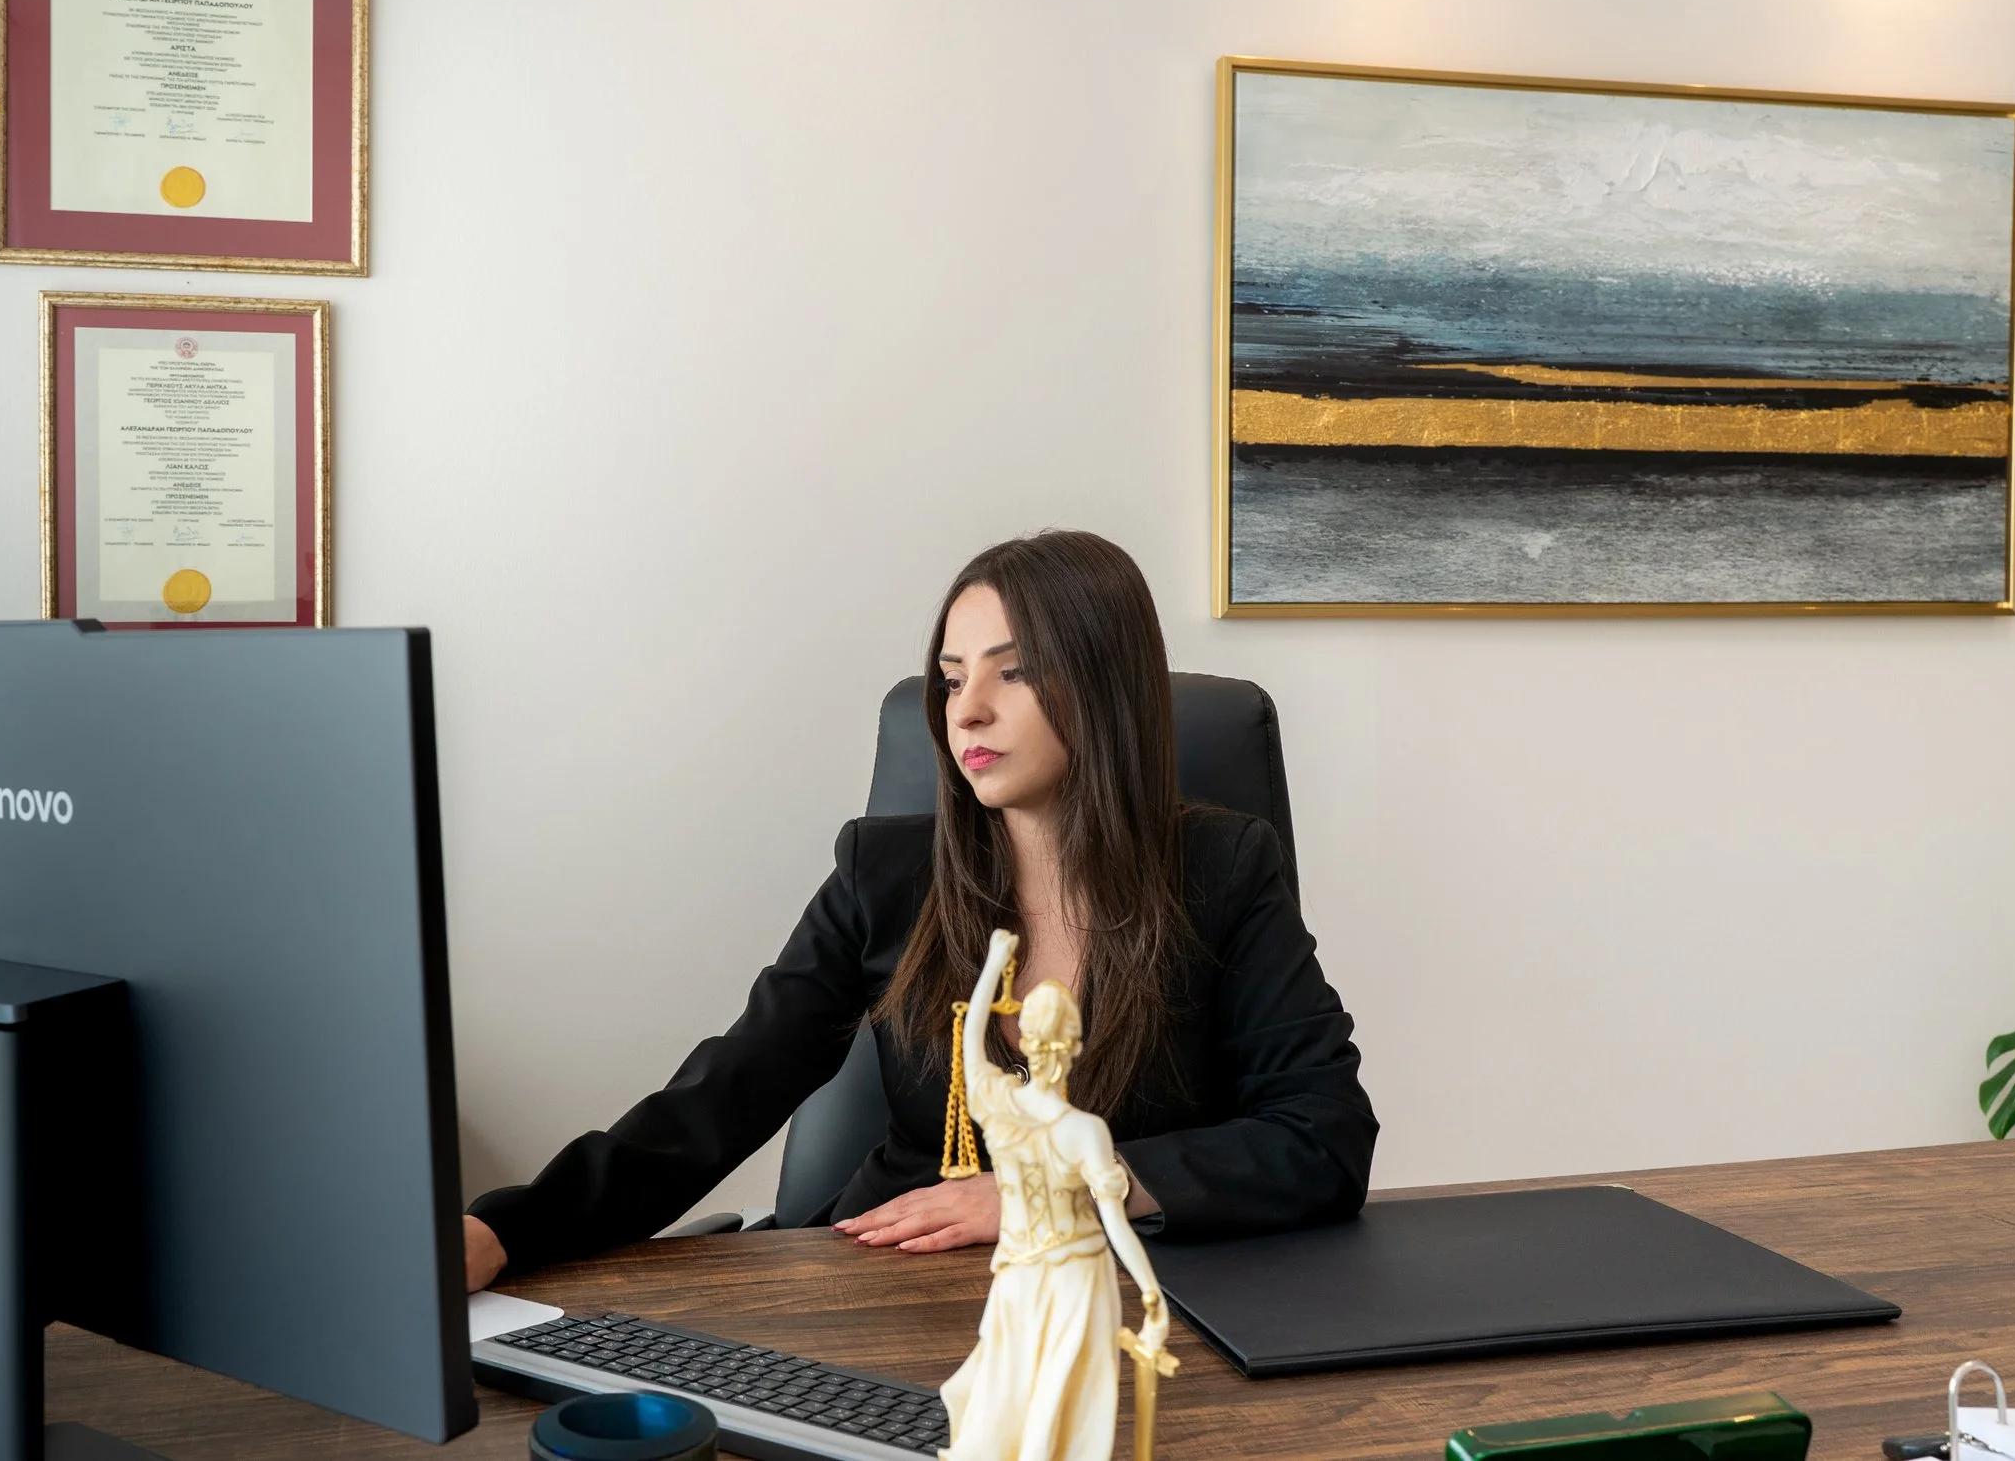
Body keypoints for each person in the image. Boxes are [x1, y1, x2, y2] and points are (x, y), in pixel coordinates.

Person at [464, 529, 1377, 1291]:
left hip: (1137, 1300)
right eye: (949, 676)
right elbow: (719, 1097)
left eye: (1012, 672)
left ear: (1105, 685)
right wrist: (506, 1230)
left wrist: (1055, 1186)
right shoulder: (885, 872)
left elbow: (1323, 1133)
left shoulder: (1222, 867)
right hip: (893, 1288)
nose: (966, 710)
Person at [939, 926, 1173, 1461]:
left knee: (1012, 1384)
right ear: (1075, 1047)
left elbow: (973, 1042)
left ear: (1020, 1038)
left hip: (1017, 1271)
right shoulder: (1086, 1131)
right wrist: (1149, 1294)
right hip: (1078, 1274)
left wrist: (994, 963)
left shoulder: (997, 1108)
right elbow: (1114, 1222)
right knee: (1068, 1401)